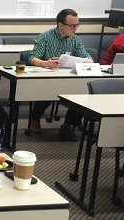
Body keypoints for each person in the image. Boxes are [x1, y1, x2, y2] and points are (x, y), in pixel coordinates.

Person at [28, 8, 93, 141]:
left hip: (68, 77)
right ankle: (34, 118)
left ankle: (68, 126)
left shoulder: (75, 39)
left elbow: (89, 58)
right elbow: (32, 58)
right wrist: (46, 63)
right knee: (50, 91)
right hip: (47, 77)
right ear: (60, 25)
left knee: (81, 94)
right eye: (72, 26)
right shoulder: (45, 37)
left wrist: (85, 61)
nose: (75, 29)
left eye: (77, 25)